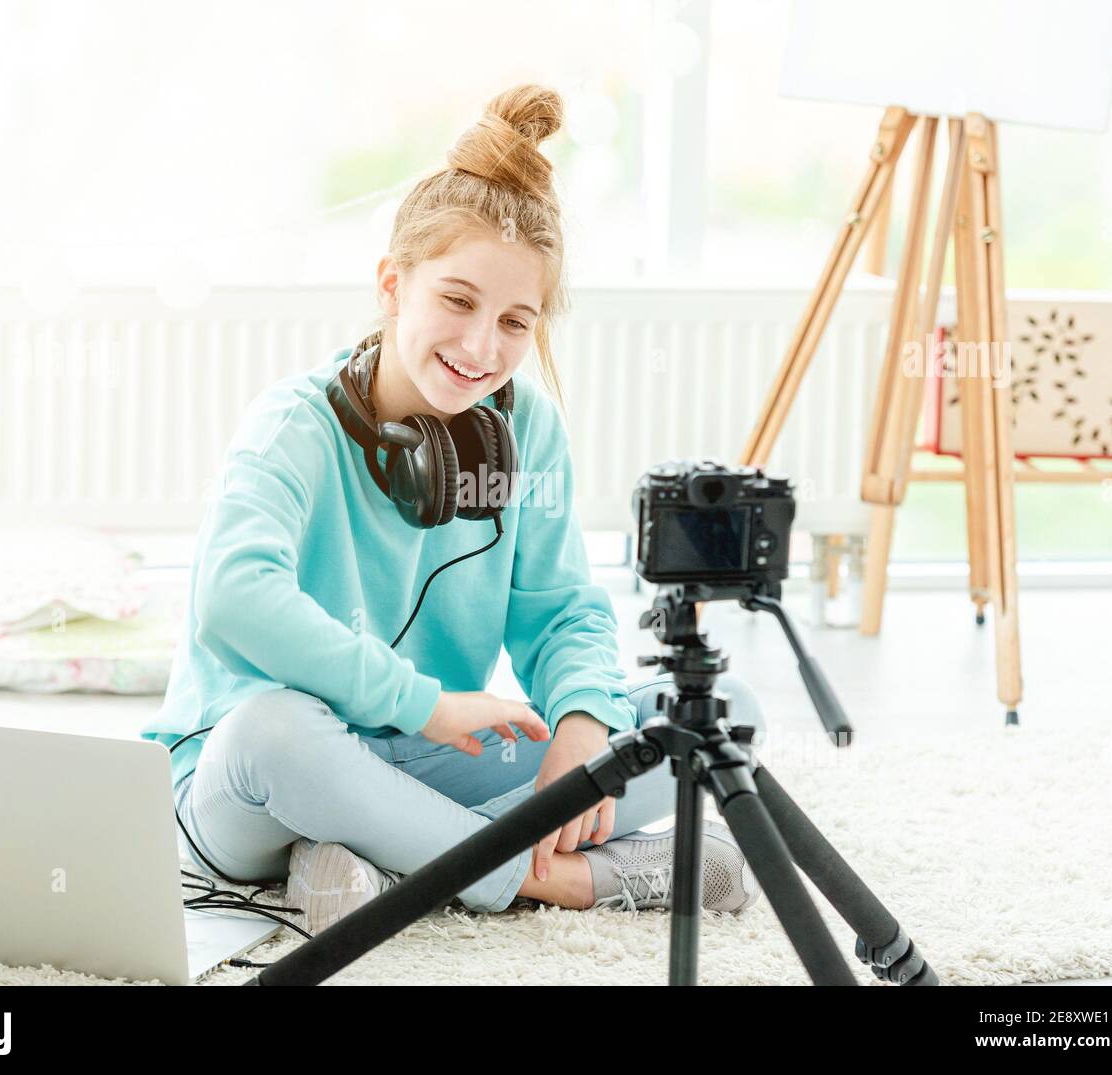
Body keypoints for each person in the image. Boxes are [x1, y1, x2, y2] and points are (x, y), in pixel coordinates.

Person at [142, 84, 764, 935]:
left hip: (423, 767)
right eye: (458, 301)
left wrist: (585, 726)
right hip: (254, 779)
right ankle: (577, 881)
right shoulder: (294, 425)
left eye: (516, 320)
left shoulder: (527, 427)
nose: (482, 347)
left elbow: (560, 609)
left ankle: (374, 859)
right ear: (394, 284)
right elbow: (234, 594)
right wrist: (426, 703)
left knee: (707, 720)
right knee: (272, 729)